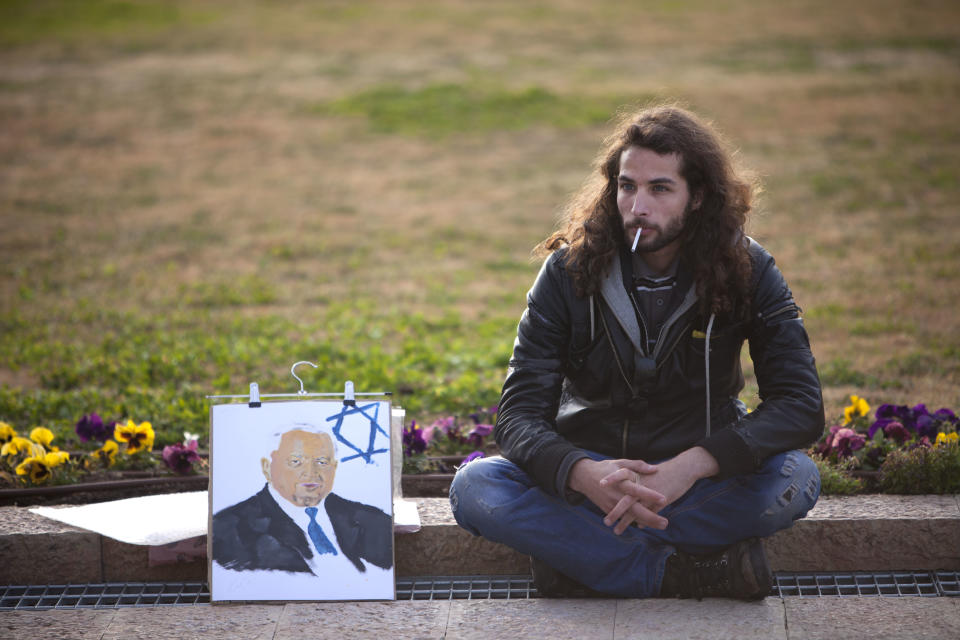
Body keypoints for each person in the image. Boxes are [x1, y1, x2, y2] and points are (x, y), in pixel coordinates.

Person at [449, 104, 824, 600]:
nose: (637, 206)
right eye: (627, 186)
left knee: (795, 478)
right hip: (590, 479)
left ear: (698, 198)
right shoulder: (567, 271)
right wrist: (584, 473)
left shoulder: (748, 267)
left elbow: (800, 406)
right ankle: (677, 573)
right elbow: (517, 416)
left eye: (660, 188)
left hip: (695, 478)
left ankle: (581, 558)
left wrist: (690, 466)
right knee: (475, 488)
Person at [213, 427, 393, 575]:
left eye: (322, 462)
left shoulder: (374, 521)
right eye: (296, 461)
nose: (311, 472)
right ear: (267, 468)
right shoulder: (228, 529)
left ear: (335, 468)